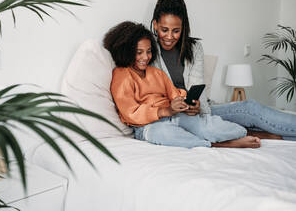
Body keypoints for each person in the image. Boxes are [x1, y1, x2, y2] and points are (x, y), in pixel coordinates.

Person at [150, 0, 296, 140]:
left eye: (176, 31)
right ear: (155, 24)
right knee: (249, 124)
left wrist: (198, 106)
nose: (169, 37)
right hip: (174, 115)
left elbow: (197, 85)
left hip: (203, 111)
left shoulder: (195, 48)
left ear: (183, 27)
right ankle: (260, 134)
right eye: (164, 30)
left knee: (250, 108)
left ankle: (269, 133)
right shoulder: (147, 52)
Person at [105, 21, 261, 148]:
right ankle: (220, 144)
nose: (145, 57)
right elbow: (130, 112)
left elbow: (175, 94)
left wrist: (188, 103)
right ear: (125, 51)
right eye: (139, 52)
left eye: (149, 51)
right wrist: (164, 111)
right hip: (147, 126)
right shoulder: (121, 75)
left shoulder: (156, 72)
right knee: (163, 134)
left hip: (174, 115)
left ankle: (242, 133)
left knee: (207, 126)